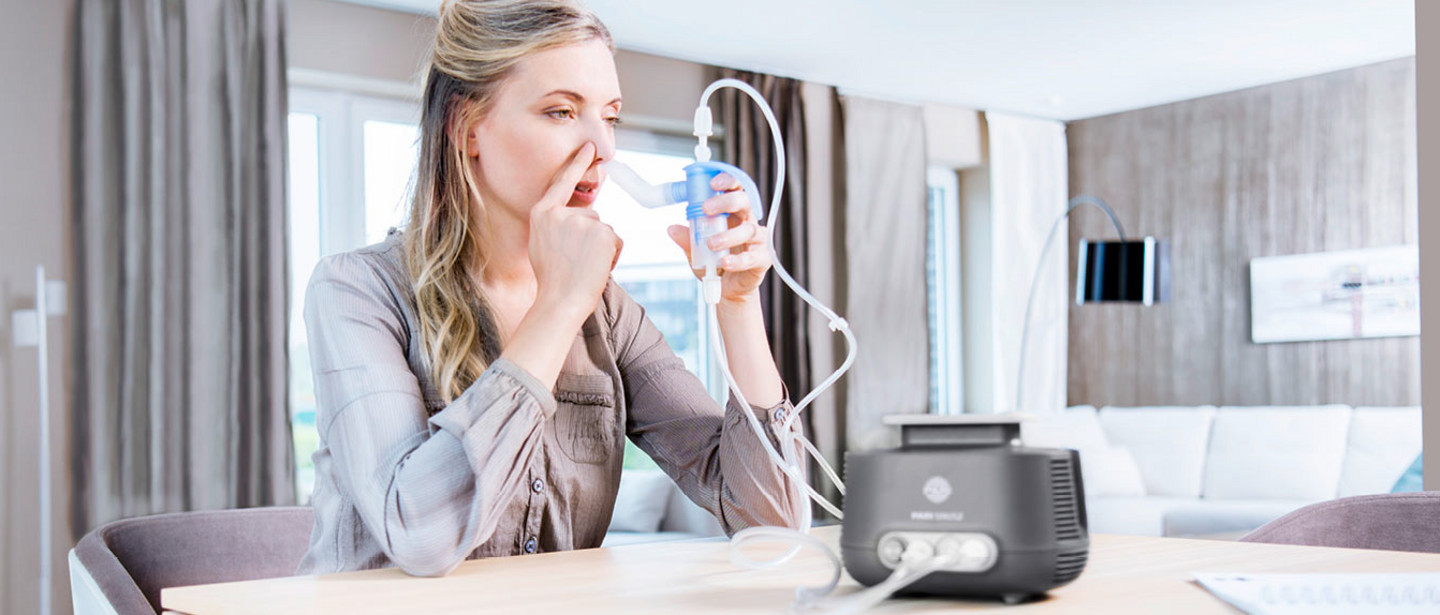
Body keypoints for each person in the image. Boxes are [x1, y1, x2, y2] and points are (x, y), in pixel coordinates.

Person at [295, 0, 806, 577]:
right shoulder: (356, 291)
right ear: (466, 129)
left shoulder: (610, 313)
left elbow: (772, 524)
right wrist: (559, 305)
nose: (605, 149)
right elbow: (420, 534)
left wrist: (738, 305)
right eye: (562, 112)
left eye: (609, 117)